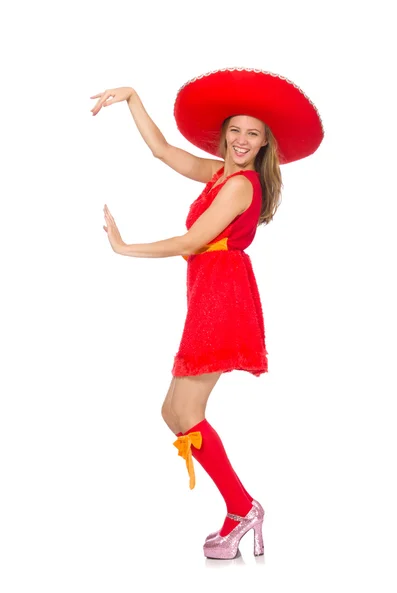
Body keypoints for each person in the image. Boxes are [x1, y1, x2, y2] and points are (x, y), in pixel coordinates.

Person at [90, 68, 323, 560]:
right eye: (235, 130)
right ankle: (242, 507)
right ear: (225, 136)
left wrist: (126, 248)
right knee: (172, 412)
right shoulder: (221, 173)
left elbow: (194, 242)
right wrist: (133, 97)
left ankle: (241, 509)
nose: (241, 140)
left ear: (264, 144)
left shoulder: (240, 186)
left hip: (223, 297)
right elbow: (164, 152)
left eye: (252, 134)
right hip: (208, 292)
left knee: (187, 412)